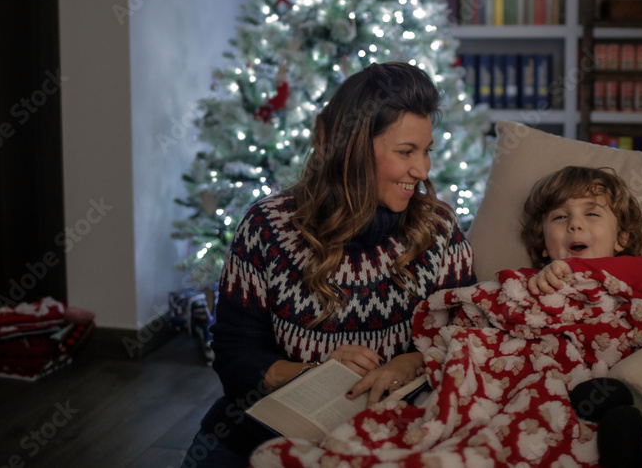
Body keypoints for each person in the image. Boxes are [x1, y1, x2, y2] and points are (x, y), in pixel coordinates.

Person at [181, 61, 476, 467]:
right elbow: (233, 351)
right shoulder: (267, 226)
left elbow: (470, 342)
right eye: (406, 151)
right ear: (352, 149)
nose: (422, 170)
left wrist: (409, 363)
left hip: (391, 440)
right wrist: (309, 374)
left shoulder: (439, 231)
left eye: (426, 151)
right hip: (266, 431)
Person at [519, 165, 642, 299]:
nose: (575, 224)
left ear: (621, 237)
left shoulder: (641, 272)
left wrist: (574, 267)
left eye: (591, 214)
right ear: (543, 241)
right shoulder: (529, 281)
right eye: (561, 217)